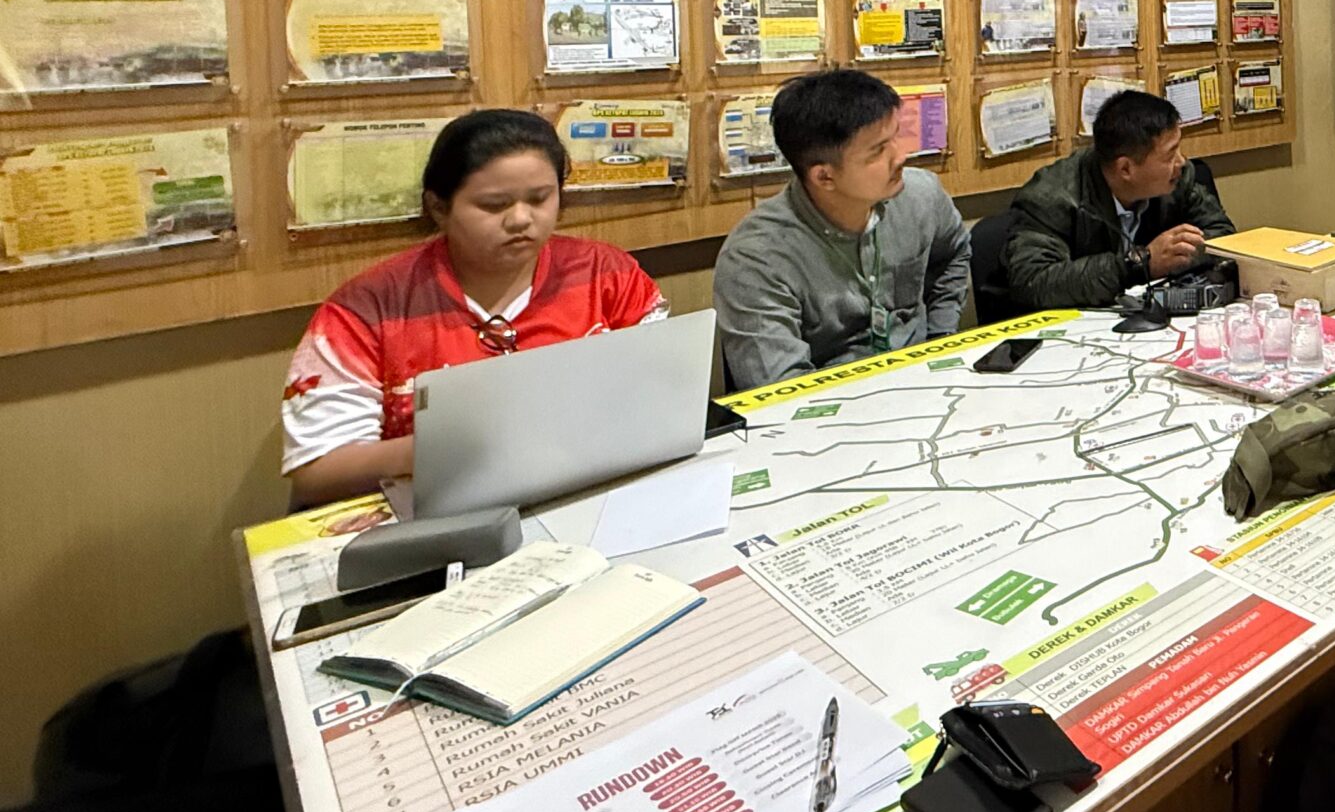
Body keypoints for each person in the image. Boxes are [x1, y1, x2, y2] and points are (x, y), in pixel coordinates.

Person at [281, 110, 667, 508]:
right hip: (434, 513)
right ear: (439, 208)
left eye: (540, 199)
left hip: (585, 494)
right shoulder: (368, 309)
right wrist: (440, 451)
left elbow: (662, 393)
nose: (521, 219)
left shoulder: (606, 273)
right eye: (493, 205)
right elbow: (317, 470)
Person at [713, 68, 970, 389]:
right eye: (878, 151)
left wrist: (940, 338)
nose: (901, 156)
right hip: (831, 410)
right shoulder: (754, 259)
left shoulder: (921, 195)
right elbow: (781, 392)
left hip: (924, 380)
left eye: (895, 137)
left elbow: (955, 253)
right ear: (824, 177)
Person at [1001, 89, 1236, 308]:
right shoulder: (1051, 197)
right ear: (1125, 169)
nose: (1181, 161)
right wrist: (1138, 264)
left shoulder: (1178, 178)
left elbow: (1225, 237)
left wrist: (1183, 253)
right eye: (1169, 155)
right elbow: (1034, 283)